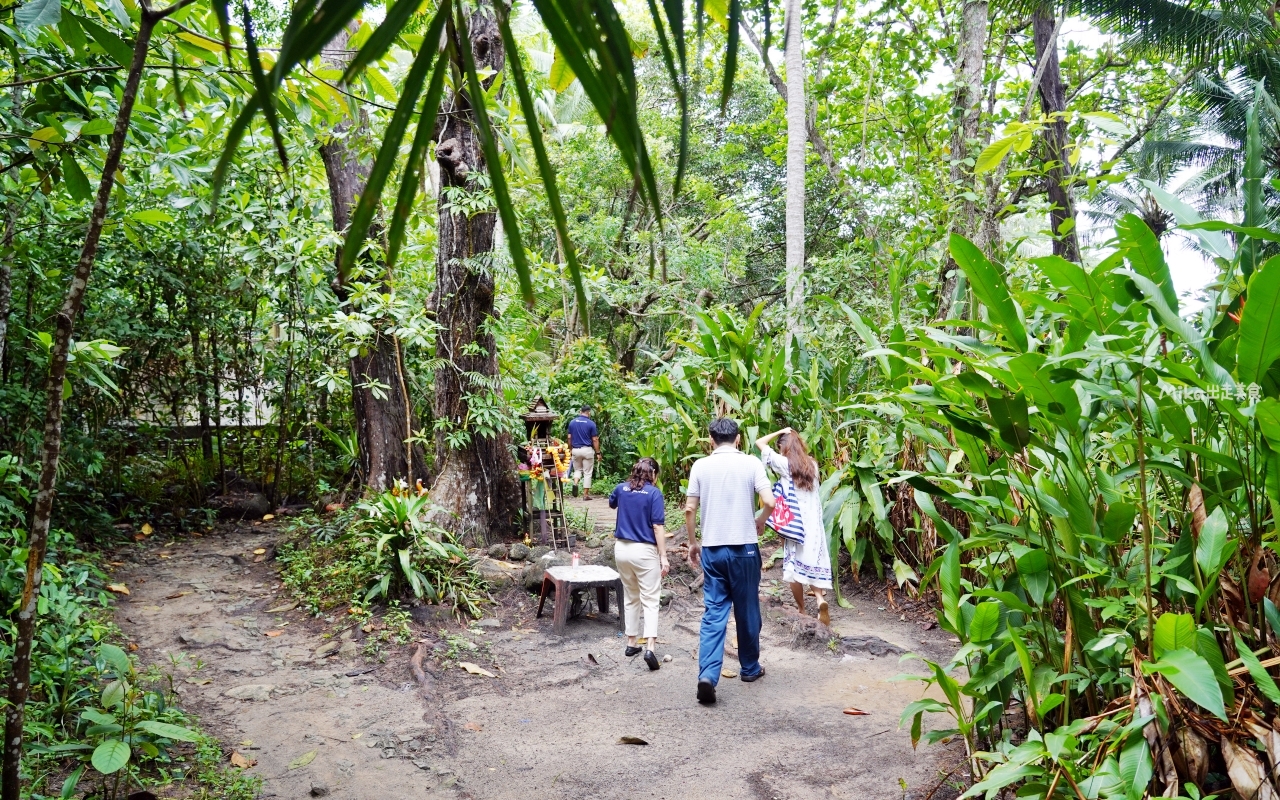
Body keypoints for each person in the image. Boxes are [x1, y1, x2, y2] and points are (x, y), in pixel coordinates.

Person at [685, 418, 775, 705]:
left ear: (711, 440)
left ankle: (708, 675)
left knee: (714, 611)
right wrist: (760, 521)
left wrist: (693, 542)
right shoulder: (751, 463)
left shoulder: (700, 466)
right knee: (747, 609)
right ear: (738, 439)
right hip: (744, 548)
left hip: (712, 549)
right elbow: (770, 502)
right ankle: (749, 668)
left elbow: (689, 509)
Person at [756, 427, 832, 625]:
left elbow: (760, 443)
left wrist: (780, 430)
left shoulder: (784, 463)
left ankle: (801, 609)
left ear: (784, 447)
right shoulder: (813, 465)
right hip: (814, 525)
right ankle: (820, 599)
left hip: (794, 525)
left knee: (793, 567)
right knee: (812, 563)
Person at [609, 458, 670, 671]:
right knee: (651, 599)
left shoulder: (621, 488)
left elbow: (612, 502)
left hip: (622, 549)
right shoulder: (654, 493)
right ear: (653, 474)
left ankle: (631, 642)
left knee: (631, 596)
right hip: (644, 551)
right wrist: (663, 556)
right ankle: (650, 647)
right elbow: (657, 527)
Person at [567, 405, 600, 500]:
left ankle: (575, 483)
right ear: (588, 413)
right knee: (587, 472)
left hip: (575, 450)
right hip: (587, 450)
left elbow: (569, 437)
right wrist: (598, 453)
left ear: (580, 411)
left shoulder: (572, 422)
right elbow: (595, 439)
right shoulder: (591, 423)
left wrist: (570, 449)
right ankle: (585, 495)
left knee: (577, 470)